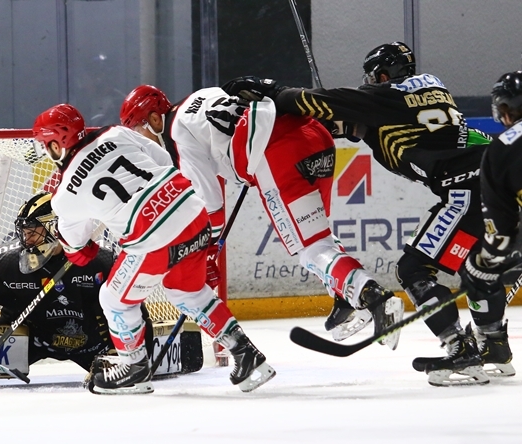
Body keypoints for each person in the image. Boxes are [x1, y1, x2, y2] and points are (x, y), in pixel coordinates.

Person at [235, 42, 494, 386]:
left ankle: (460, 350)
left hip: (465, 190)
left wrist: (273, 91)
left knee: (414, 269)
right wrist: (326, 115)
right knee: (477, 266)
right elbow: (362, 124)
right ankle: (496, 346)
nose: (370, 82)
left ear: (384, 75)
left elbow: (310, 102)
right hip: (491, 184)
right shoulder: (431, 89)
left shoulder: (385, 97)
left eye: (373, 77)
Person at [118, 84, 404, 346]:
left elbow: (211, 206)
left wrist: (204, 255)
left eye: (139, 130)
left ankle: (373, 296)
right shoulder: (199, 97)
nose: (143, 142)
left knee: (310, 248)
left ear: (155, 119)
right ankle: (345, 295)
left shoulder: (176, 133)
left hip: (279, 152)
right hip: (314, 135)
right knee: (317, 237)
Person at [32, 103, 276, 395]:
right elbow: (164, 158)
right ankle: (246, 353)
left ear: (57, 144)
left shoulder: (65, 195)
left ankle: (134, 368)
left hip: (151, 235)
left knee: (113, 299)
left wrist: (86, 248)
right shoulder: (115, 133)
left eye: (45, 144)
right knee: (188, 292)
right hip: (192, 208)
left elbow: (76, 250)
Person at [0, 192, 116, 375]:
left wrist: (123, 352)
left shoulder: (102, 261)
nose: (27, 241)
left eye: (33, 232)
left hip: (93, 344)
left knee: (130, 374)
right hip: (25, 340)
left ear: (55, 228)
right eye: (24, 233)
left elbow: (131, 310)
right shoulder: (9, 262)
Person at [457, 71, 522, 379]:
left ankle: (493, 342)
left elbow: (501, 226)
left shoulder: (502, 148)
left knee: (477, 269)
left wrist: (488, 261)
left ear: (505, 109)